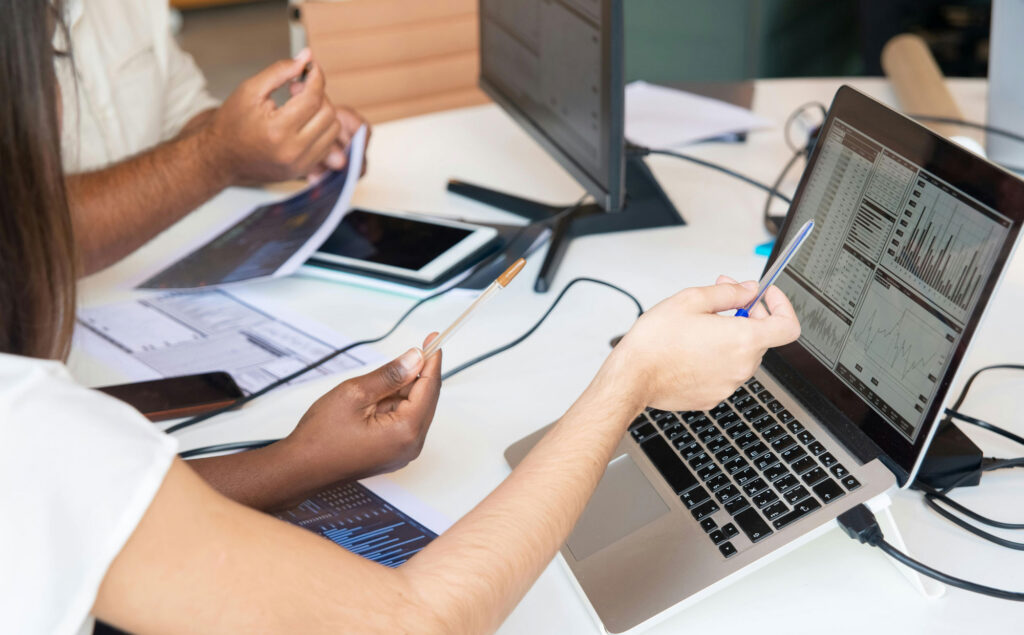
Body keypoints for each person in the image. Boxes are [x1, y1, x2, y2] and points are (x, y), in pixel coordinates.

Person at [2, 2, 802, 633]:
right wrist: (630, 379)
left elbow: (107, 514)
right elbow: (414, 620)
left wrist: (299, 458)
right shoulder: (35, 430)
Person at [56, 0, 367, 275]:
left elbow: (184, 117)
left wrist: (280, 138)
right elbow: (35, 233)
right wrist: (217, 155)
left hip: (149, 270)